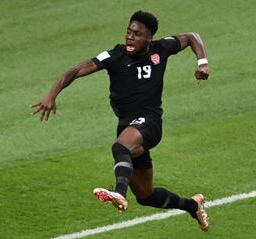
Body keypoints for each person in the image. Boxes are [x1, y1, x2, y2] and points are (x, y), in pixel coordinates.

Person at [32, 10, 210, 232]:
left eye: (136, 34)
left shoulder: (161, 49)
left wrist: (202, 62)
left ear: (148, 38)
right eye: (128, 32)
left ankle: (119, 193)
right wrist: (52, 94)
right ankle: (193, 205)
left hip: (150, 122)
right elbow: (77, 70)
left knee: (120, 146)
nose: (129, 37)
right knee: (146, 195)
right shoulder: (115, 56)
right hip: (128, 125)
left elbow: (192, 36)